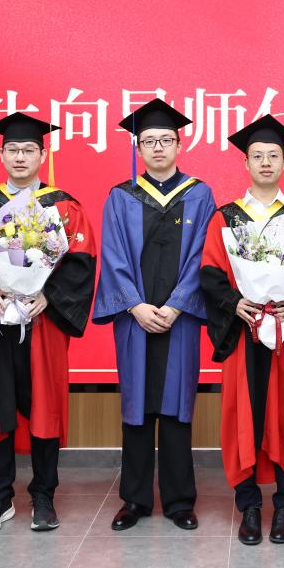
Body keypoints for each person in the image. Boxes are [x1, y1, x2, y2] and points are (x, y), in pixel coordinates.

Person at [0, 113, 97, 533]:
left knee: (45, 407)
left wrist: (49, 296)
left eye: (28, 150)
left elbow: (81, 261)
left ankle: (43, 496)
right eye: (12, 150)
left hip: (42, 320)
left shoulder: (63, 205)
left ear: (42, 155)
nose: (19, 157)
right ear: (1, 155)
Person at [199, 115, 284, 546]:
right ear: (246, 163)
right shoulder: (226, 217)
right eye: (258, 156)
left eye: (274, 155)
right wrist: (233, 303)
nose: (266, 162)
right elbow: (211, 273)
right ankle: (250, 505)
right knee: (243, 414)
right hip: (244, 330)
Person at [91, 98, 216, 532]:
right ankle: (135, 499)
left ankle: (180, 501)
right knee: (137, 406)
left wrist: (178, 304)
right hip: (135, 318)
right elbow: (112, 255)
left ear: (180, 145)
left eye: (166, 140)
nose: (158, 147)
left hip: (180, 317)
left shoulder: (199, 194)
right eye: (149, 141)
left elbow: (203, 255)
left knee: (177, 407)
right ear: (138, 148)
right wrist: (135, 305)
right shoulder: (121, 197)